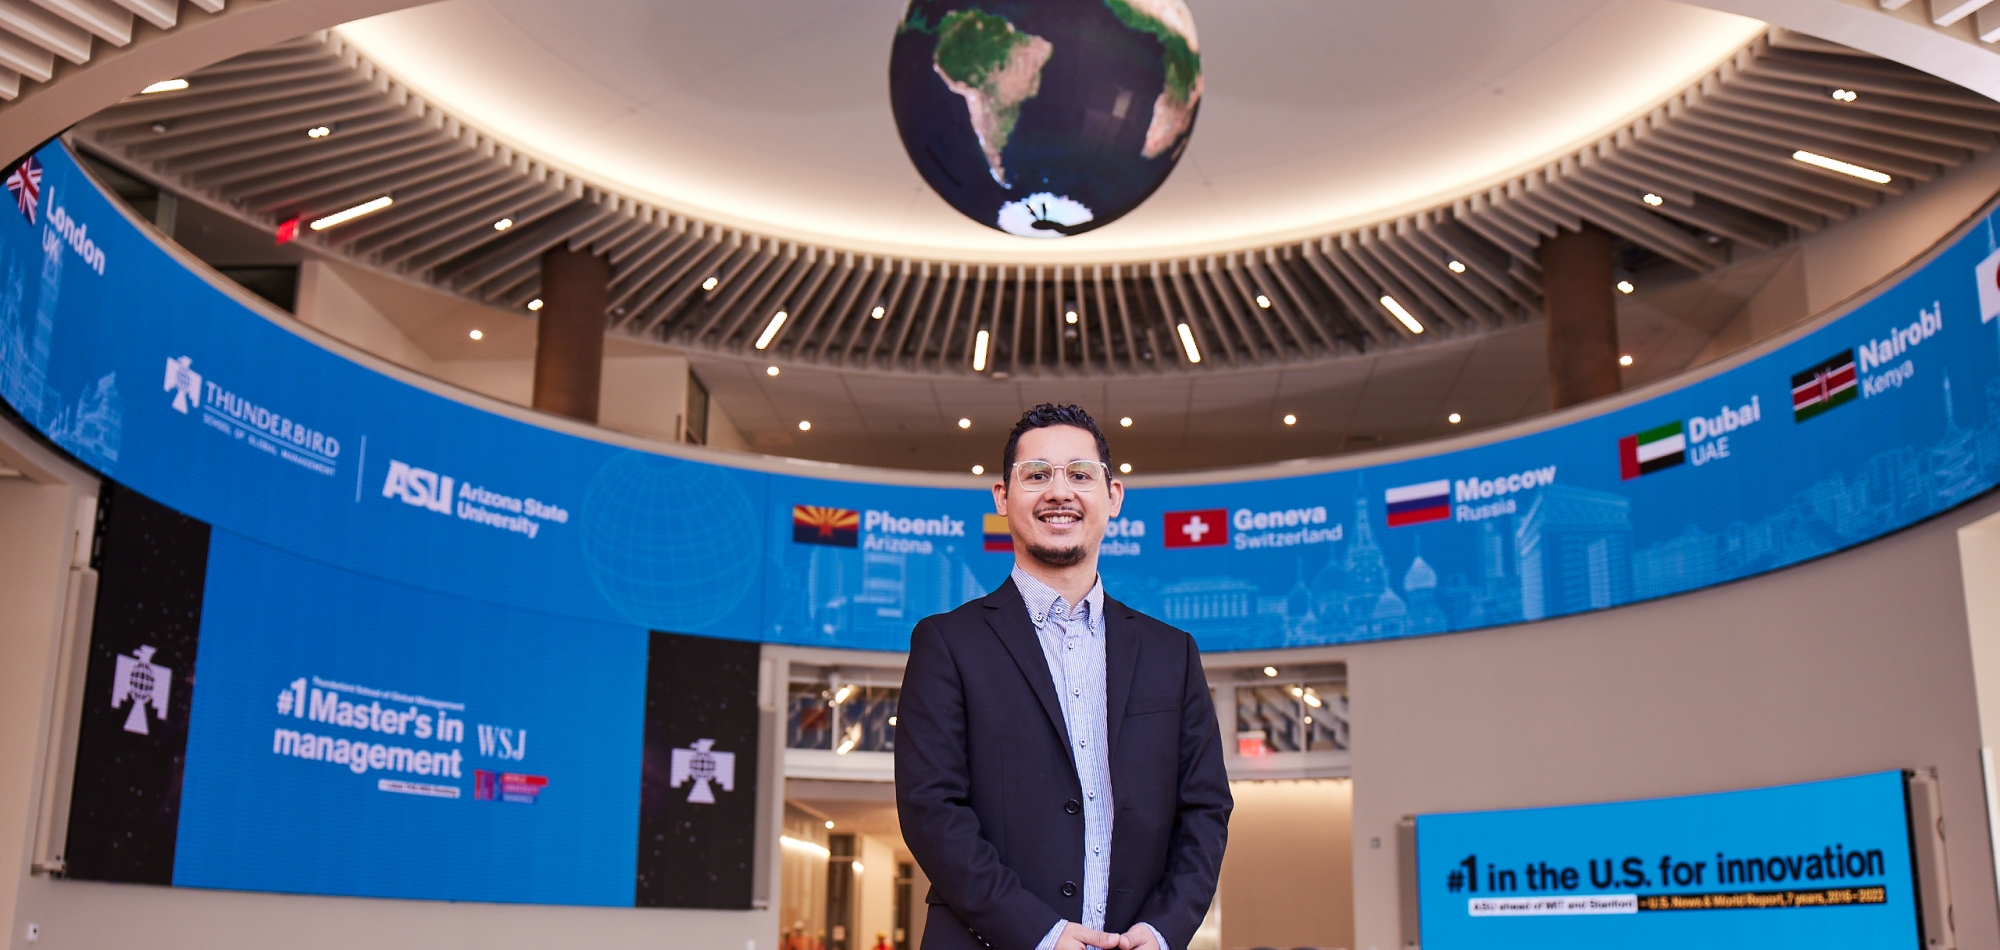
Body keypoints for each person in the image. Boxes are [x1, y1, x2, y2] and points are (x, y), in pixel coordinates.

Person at [896, 404, 1231, 950]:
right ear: (1003, 498)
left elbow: (1205, 809)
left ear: (1113, 497)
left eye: (1080, 474)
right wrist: (1042, 935)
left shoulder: (1172, 653)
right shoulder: (947, 644)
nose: (1059, 492)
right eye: (1036, 475)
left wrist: (1163, 929)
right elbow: (931, 810)